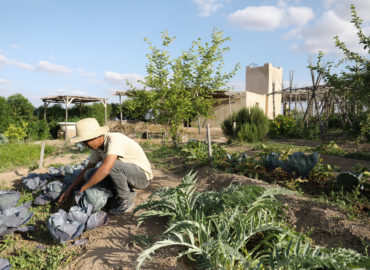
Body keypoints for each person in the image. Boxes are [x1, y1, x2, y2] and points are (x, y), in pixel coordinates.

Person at [58, 118, 153, 214]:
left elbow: (106, 170)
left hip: (142, 178)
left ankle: (126, 201)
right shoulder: (97, 149)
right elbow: (86, 169)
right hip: (127, 176)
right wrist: (69, 189)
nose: (85, 145)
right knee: (89, 174)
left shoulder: (115, 140)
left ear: (96, 136)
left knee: (111, 166)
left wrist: (83, 189)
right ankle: (123, 193)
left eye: (86, 142)